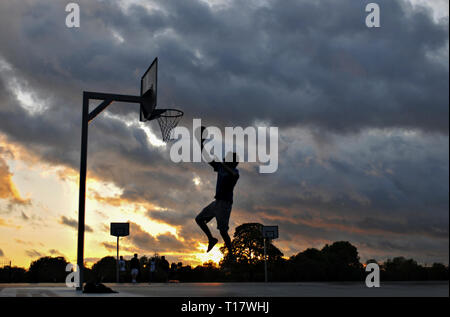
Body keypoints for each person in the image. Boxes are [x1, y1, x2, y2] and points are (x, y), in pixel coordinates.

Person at [195, 126, 239, 258]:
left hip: (225, 204)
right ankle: (211, 239)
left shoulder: (235, 172)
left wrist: (222, 163)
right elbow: (206, 157)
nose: (225, 158)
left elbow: (233, 174)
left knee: (223, 231)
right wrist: (201, 143)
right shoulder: (221, 167)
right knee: (199, 219)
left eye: (227, 158)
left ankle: (231, 254)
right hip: (217, 202)